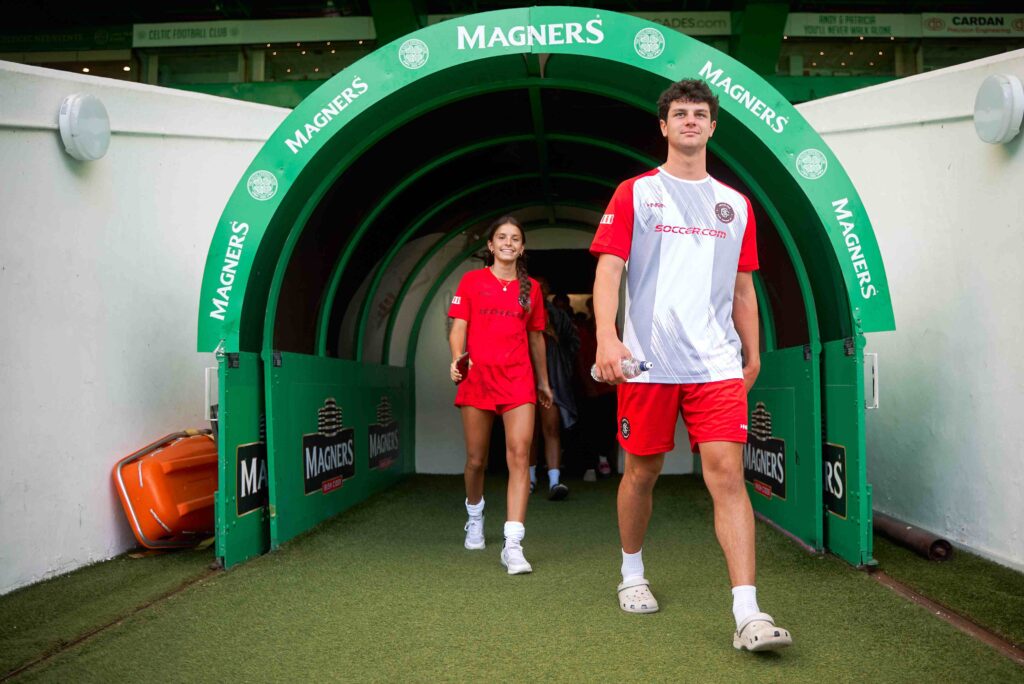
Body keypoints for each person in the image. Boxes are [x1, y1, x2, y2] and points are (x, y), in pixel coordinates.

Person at [590, 79, 792, 651]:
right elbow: (609, 271)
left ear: (712, 126)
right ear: (663, 126)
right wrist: (607, 339)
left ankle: (748, 613)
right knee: (642, 474)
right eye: (679, 114)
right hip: (647, 365)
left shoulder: (736, 205)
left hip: (716, 365)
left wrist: (753, 355)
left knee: (727, 477)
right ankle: (632, 574)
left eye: (699, 114)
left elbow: (743, 288)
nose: (689, 122)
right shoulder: (635, 192)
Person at [448, 215, 553, 575]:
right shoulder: (472, 281)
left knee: (520, 456)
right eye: (501, 237)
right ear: (491, 246)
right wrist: (457, 358)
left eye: (515, 238)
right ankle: (474, 516)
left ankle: (513, 545)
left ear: (522, 248)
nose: (508, 242)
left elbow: (537, 337)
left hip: (518, 381)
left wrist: (543, 382)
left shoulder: (533, 289)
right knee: (476, 460)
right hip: (477, 379)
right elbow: (458, 326)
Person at [528, 276, 579, 500]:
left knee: (551, 428)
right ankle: (528, 480)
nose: (539, 289)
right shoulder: (521, 309)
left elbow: (574, 344)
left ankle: (554, 481)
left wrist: (556, 340)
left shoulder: (558, 315)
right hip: (525, 377)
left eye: (543, 286)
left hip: (553, 378)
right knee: (527, 433)